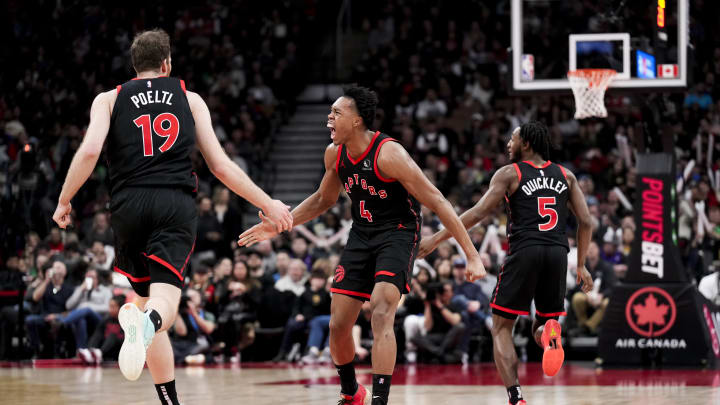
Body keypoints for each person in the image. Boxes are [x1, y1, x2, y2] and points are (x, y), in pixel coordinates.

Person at [51, 29, 292, 405]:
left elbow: (90, 151)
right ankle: (147, 321)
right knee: (165, 303)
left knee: (146, 297)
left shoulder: (108, 99)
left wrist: (65, 200)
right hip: (173, 203)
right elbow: (221, 166)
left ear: (135, 66)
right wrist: (268, 202)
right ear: (167, 64)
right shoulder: (190, 99)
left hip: (127, 206)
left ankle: (168, 398)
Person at [239, 85, 485, 405]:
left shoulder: (389, 154)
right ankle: (351, 392)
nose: (329, 117)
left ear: (357, 121)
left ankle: (380, 400)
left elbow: (437, 201)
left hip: (398, 232)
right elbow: (322, 200)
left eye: (336, 113)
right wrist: (280, 224)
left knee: (381, 311)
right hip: (362, 233)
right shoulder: (335, 153)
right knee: (339, 323)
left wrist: (471, 254)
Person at [418, 121, 594, 405]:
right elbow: (586, 221)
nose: (507, 144)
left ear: (526, 143)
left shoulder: (509, 173)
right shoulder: (567, 175)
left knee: (501, 327)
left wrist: (436, 239)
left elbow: (477, 214)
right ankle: (550, 332)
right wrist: (582, 264)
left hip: (525, 251)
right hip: (558, 253)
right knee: (545, 322)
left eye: (512, 139)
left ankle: (516, 397)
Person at [63, 268, 113, 363]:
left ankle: (63, 322)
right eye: (87, 277)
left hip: (99, 319)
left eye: (92, 277)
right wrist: (81, 290)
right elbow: (68, 305)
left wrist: (88, 307)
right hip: (81, 319)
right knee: (81, 320)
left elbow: (108, 307)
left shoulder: (105, 291)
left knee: (86, 309)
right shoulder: (80, 289)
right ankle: (82, 353)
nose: (89, 279)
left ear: (97, 279)